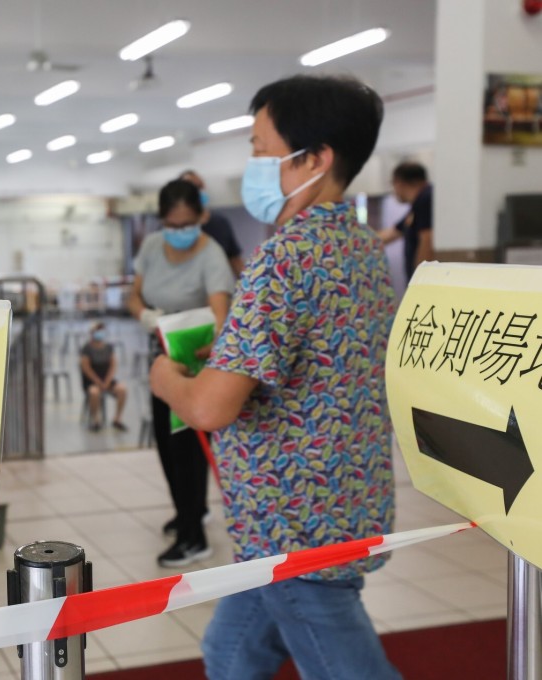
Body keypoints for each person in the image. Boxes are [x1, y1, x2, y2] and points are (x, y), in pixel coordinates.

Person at [150, 74, 399, 679]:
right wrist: (230, 347)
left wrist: (166, 378)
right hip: (345, 499)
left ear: (315, 158)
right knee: (230, 654)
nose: (253, 165)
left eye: (262, 149)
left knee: (346, 667)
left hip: (294, 524)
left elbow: (210, 407)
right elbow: (311, 356)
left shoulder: (286, 257)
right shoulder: (362, 247)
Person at [127, 179, 235, 568]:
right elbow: (134, 294)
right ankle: (184, 513)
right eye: (171, 225)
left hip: (196, 365)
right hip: (162, 359)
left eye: (186, 223)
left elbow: (222, 319)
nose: (178, 232)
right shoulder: (154, 247)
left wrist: (212, 342)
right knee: (166, 444)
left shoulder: (213, 257)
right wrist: (145, 315)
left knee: (188, 450)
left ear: (201, 217)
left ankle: (194, 534)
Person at [179, 170, 245, 277]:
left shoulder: (220, 223)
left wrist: (248, 285)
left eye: (200, 186)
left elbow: (235, 260)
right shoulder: (174, 229)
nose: (197, 191)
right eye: (191, 187)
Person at [379, 161, 433, 282]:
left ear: (399, 183)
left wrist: (420, 280)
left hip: (424, 281)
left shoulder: (425, 199)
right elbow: (392, 233)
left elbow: (427, 240)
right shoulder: (416, 207)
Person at [78, 322, 128, 432]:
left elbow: (113, 365)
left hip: (107, 380)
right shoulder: (86, 349)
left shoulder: (108, 347)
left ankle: (117, 419)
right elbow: (86, 369)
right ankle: (96, 420)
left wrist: (107, 381)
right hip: (91, 381)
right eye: (97, 330)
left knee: (122, 389)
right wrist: (98, 382)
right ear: (92, 333)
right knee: (94, 392)